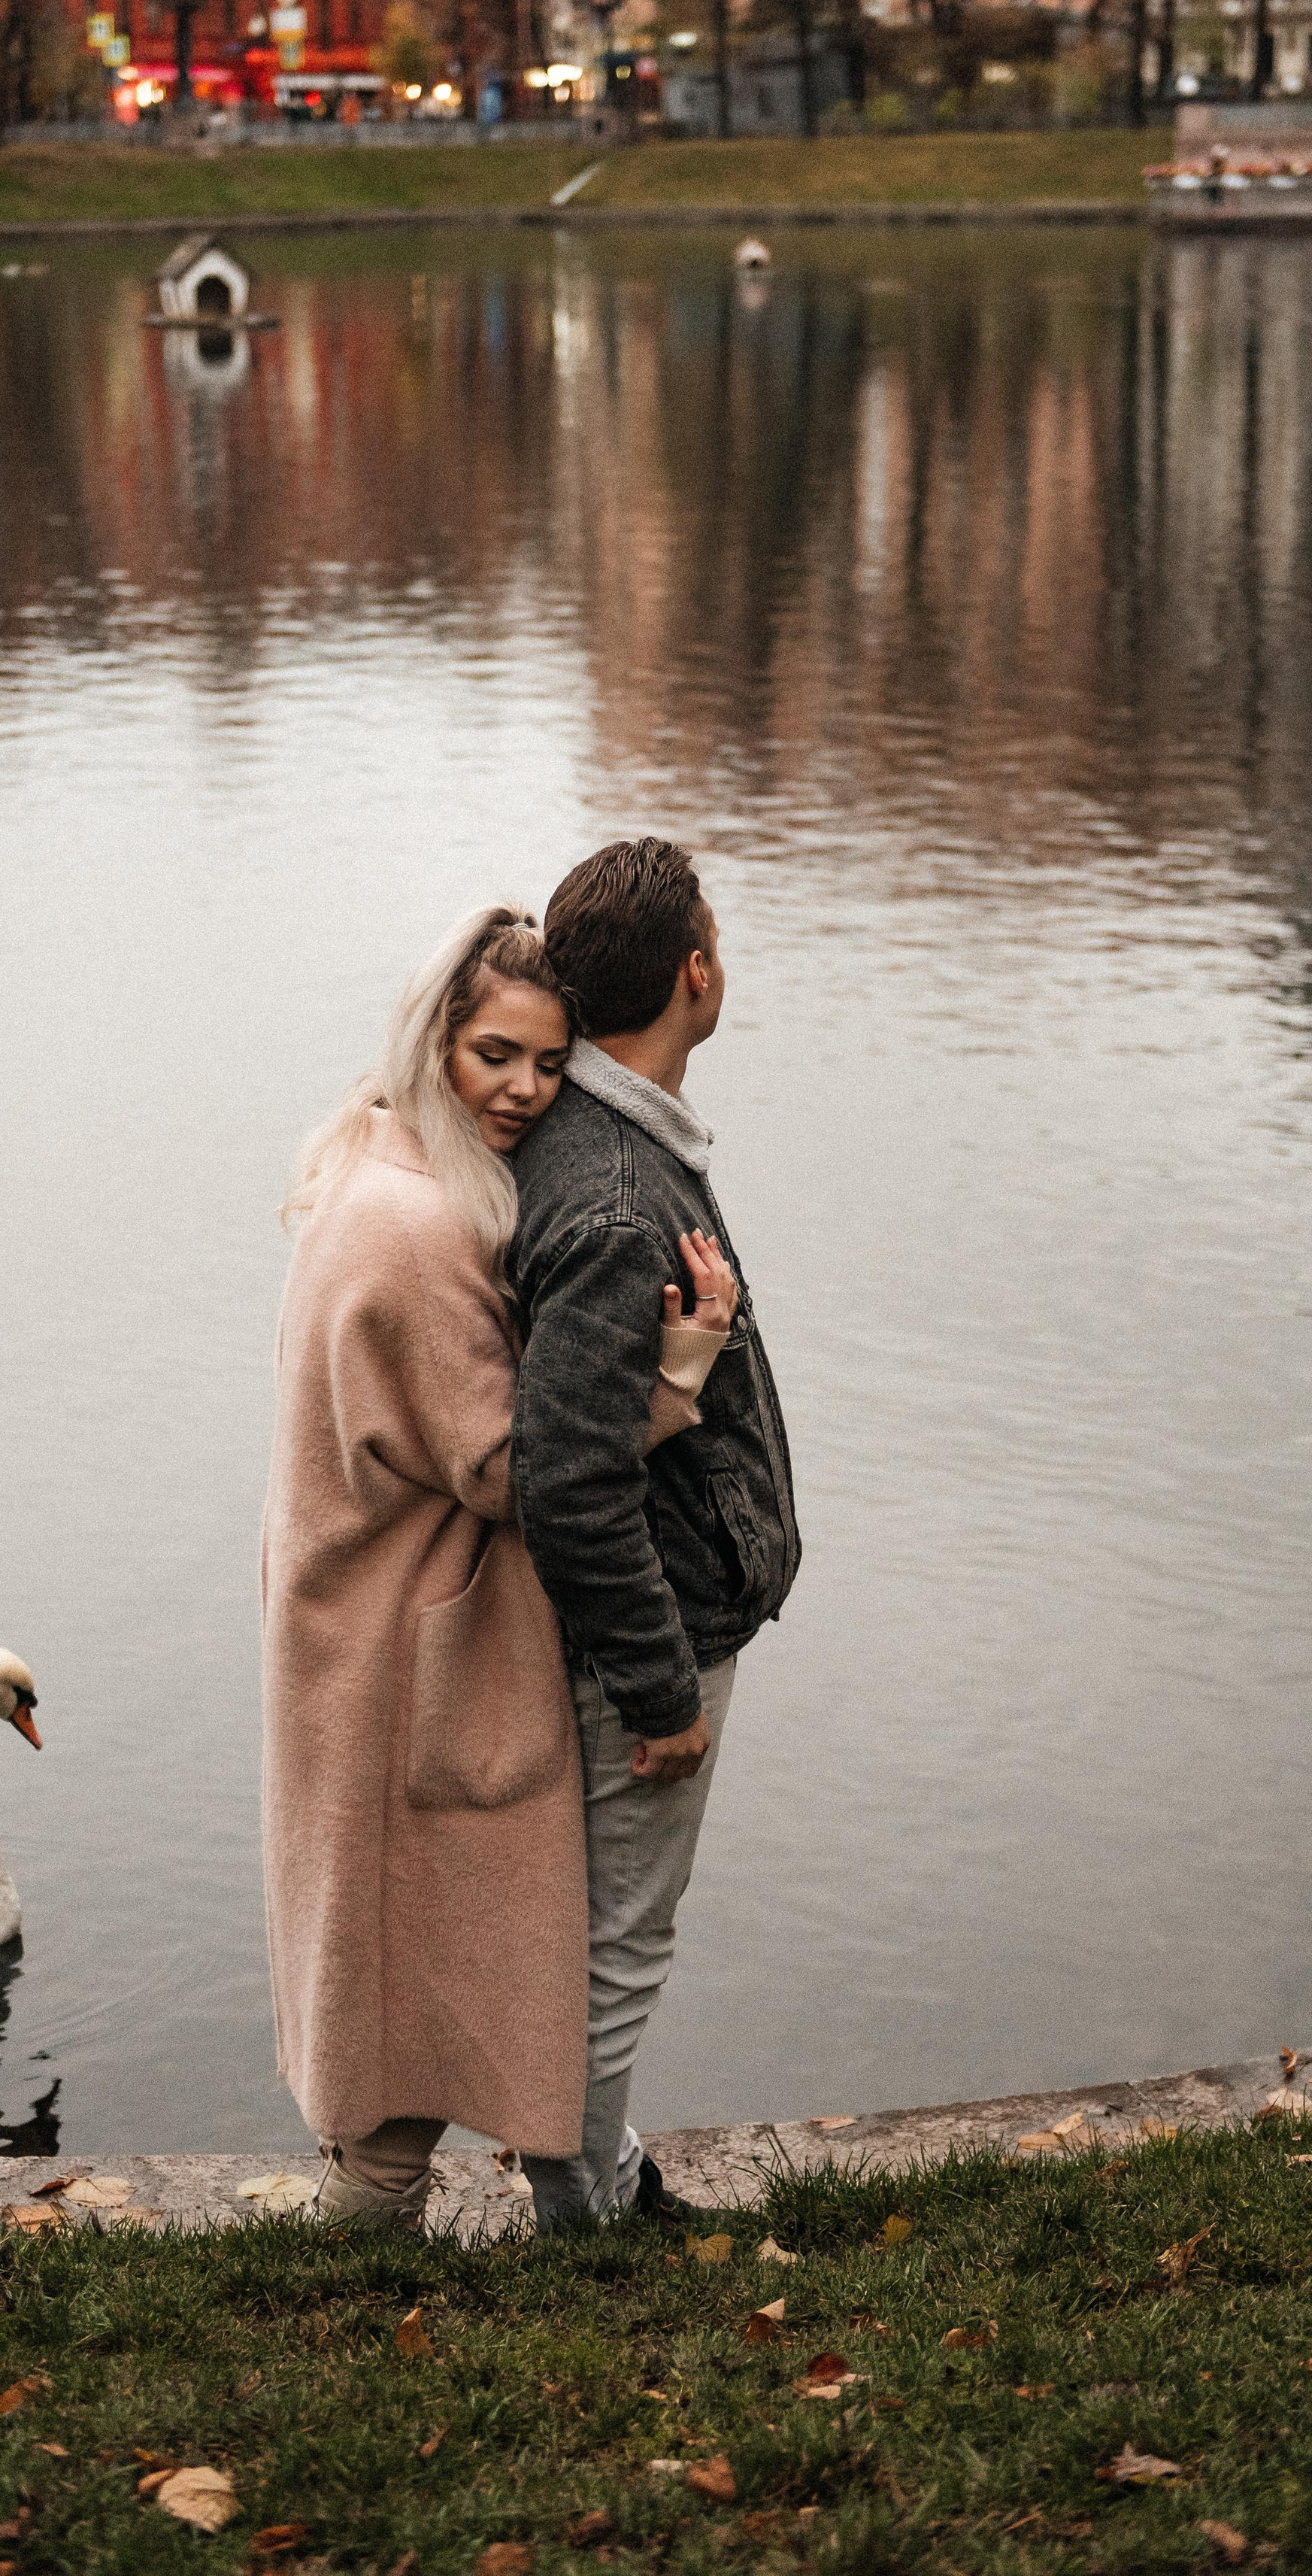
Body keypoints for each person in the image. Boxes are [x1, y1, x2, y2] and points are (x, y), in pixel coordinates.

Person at [259, 903, 737, 2232]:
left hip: (361, 1612)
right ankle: (387, 2237)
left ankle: (507, 2198)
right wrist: (677, 1376)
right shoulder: (415, 1231)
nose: (525, 1090)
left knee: (405, 1942)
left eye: (545, 1059)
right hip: (405, 1638)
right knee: (424, 1946)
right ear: (434, 1046)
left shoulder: (379, 1159)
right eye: (493, 1056)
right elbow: (518, 1469)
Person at [510, 839, 803, 2227]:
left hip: (656, 1618)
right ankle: (585, 2218)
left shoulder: (611, 1136)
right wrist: (660, 1683)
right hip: (651, 1633)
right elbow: (569, 1477)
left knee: (600, 1930)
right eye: (718, 938)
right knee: (618, 1937)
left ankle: (602, 2172)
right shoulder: (619, 1195)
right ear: (697, 972)